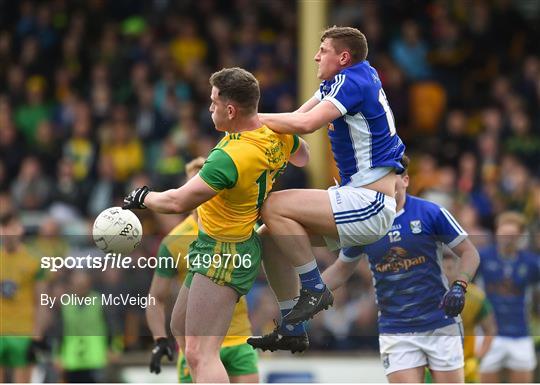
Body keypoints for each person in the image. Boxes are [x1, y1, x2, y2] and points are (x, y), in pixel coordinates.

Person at [123, 67, 309, 383]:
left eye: (213, 102)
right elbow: (302, 156)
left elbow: (177, 203)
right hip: (220, 246)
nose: (210, 108)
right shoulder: (275, 132)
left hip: (224, 251)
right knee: (179, 326)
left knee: (198, 354)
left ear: (231, 109)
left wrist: (142, 196)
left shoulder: (230, 155)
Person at [254, 156, 480, 383]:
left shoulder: (431, 213)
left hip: (439, 323)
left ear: (406, 180)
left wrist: (460, 285)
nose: (388, 181)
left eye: (394, 175)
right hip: (395, 328)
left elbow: (470, 253)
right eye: (382, 176)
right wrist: (304, 300)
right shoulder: (367, 219)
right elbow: (341, 269)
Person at [255, 26, 406, 329]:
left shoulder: (353, 79)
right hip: (361, 200)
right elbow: (297, 117)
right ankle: (293, 325)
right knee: (268, 237)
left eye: (322, 51)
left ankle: (313, 287)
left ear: (343, 57)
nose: (315, 56)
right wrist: (258, 128)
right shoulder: (346, 78)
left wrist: (246, 121)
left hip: (368, 202)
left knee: (272, 207)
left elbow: (306, 123)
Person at [146, 157, 259, 382]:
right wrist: (159, 340)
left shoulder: (242, 227)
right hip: (194, 344)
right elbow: (155, 298)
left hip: (238, 339)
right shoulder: (173, 241)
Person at [478, 212, 539, 383]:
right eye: (503, 234)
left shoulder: (531, 262)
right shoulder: (482, 257)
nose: (507, 239)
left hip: (520, 333)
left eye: (512, 235)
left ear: (520, 236)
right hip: (489, 334)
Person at [0, 211, 49, 382]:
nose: (8, 233)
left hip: (23, 331)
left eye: (12, 227)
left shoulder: (33, 261)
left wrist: (38, 335)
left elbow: (42, 300)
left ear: (20, 229)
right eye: (5, 227)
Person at [441, 254, 496, 383]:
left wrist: (477, 360)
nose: (445, 273)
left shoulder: (476, 297)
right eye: (441, 269)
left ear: (459, 268)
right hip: (434, 365)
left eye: (449, 268)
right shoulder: (427, 295)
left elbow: (490, 330)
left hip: (466, 366)